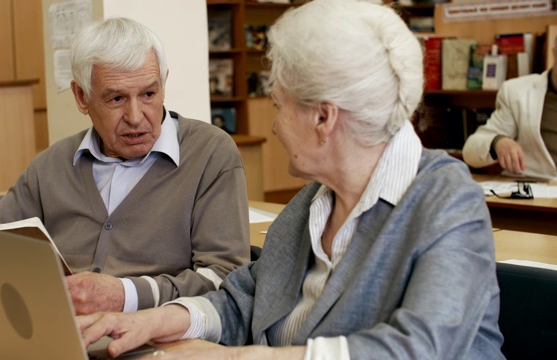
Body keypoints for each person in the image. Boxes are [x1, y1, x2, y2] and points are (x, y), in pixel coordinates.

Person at [76, 0, 505, 358]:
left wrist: (240, 358)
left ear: (323, 118)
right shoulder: (313, 203)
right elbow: (242, 299)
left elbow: (422, 349)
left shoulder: (448, 200)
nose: (276, 126)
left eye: (280, 105)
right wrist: (156, 319)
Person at [0, 17, 250, 315]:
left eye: (149, 94)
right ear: (81, 96)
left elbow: (226, 278)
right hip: (55, 331)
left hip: (157, 336)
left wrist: (123, 295)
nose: (136, 116)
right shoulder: (52, 165)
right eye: (116, 99)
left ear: (163, 85)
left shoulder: (210, 153)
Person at [462, 36, 557, 180]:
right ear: (555, 53)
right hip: (530, 193)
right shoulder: (517, 92)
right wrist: (497, 142)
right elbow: (471, 150)